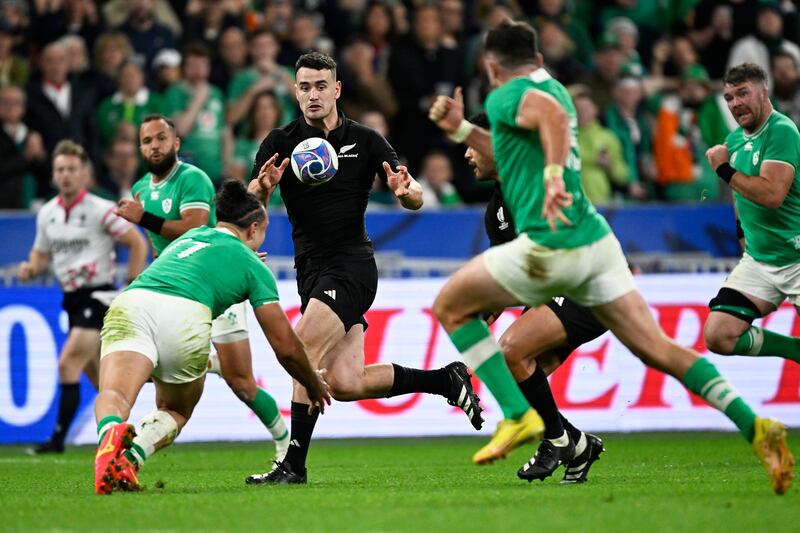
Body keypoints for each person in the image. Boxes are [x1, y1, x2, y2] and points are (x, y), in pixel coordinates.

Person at [428, 20, 793, 494]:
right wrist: (460, 129)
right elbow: (521, 140)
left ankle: (522, 418)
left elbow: (548, 126)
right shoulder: (552, 87)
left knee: (452, 308)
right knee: (659, 350)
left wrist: (554, 171)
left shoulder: (504, 95)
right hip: (598, 242)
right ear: (538, 59)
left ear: (491, 65)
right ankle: (755, 426)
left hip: (555, 245)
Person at [245, 52, 483, 485]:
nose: (312, 94)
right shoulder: (279, 143)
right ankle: (446, 380)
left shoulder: (367, 140)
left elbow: (414, 197)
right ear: (294, 92)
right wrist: (260, 190)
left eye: (321, 86)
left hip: (352, 266)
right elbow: (249, 206)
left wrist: (404, 191)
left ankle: (293, 465)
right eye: (304, 87)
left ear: (337, 89)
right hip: (310, 271)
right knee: (347, 381)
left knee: (300, 351)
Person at [93, 180, 331, 495]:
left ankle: (110, 437)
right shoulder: (253, 266)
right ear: (254, 229)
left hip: (132, 303)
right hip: (185, 315)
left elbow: (214, 259)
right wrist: (312, 384)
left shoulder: (190, 236)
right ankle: (130, 461)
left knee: (116, 394)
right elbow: (286, 347)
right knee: (175, 409)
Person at [114, 114, 293, 462]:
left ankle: (284, 442)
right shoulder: (140, 189)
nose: (154, 146)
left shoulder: (192, 179)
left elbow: (193, 230)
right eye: (147, 140)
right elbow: (159, 247)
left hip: (214, 284)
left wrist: (144, 218)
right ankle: (200, 366)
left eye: (161, 138)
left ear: (176, 143)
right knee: (153, 371)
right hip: (174, 294)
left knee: (241, 383)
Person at [461, 111, 606, 483]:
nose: (466, 155)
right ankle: (576, 445)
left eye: (472, 145)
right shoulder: (496, 212)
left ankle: (555, 442)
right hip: (556, 292)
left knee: (511, 350)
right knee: (518, 381)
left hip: (585, 285)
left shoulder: (537, 180)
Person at [18, 140, 147, 454]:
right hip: (72, 299)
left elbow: (137, 242)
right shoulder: (47, 214)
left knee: (68, 363)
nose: (65, 175)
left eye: (72, 169)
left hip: (98, 297)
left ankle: (57, 441)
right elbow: (40, 256)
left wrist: (131, 286)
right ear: (53, 174)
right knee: (103, 381)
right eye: (60, 169)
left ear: (85, 174)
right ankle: (122, 436)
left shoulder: (100, 210)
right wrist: (30, 269)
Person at [703, 63, 800, 376]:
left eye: (743, 93)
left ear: (764, 92)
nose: (735, 103)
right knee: (718, 335)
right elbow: (739, 196)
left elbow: (772, 195)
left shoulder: (781, 130)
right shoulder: (732, 141)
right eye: (729, 97)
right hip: (760, 261)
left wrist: (724, 171)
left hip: (797, 257)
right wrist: (742, 233)